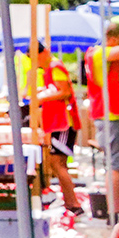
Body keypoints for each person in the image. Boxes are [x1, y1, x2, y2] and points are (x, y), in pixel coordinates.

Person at [86, 22, 119, 222]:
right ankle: (114, 212)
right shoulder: (98, 54)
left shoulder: (105, 57)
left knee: (118, 165)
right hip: (112, 116)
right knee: (118, 166)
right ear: (113, 39)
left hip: (114, 115)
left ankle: (115, 211)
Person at [32, 42, 85, 216]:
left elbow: (65, 92)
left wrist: (42, 98)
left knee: (58, 163)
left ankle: (73, 203)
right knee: (56, 163)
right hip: (56, 122)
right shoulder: (48, 70)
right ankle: (69, 201)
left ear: (44, 53)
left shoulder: (55, 67)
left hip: (63, 122)